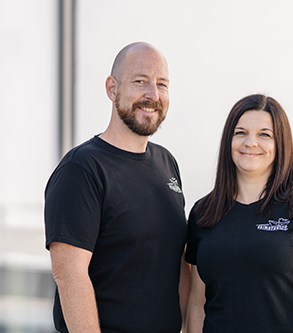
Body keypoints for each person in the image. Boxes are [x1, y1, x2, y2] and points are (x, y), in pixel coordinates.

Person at [44, 42, 190, 333]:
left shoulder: (166, 163)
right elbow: (69, 274)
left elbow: (178, 264)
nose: (153, 95)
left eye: (162, 84)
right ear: (112, 89)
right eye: (140, 82)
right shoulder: (82, 168)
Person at [185, 94, 293, 333]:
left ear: (280, 144)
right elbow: (197, 303)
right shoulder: (204, 213)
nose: (250, 142)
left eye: (264, 134)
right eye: (240, 133)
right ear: (228, 140)